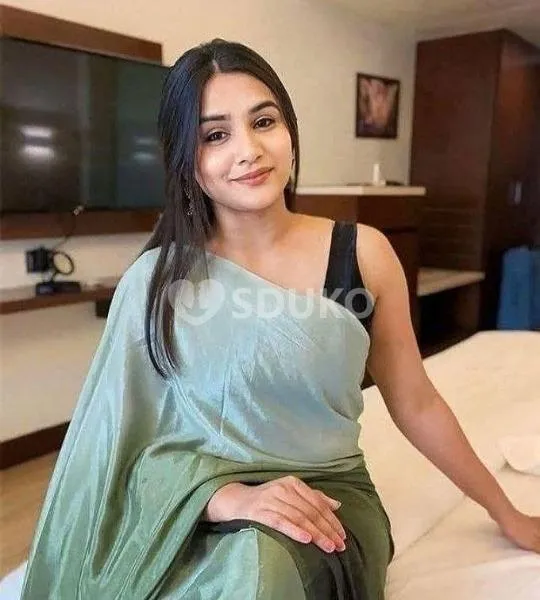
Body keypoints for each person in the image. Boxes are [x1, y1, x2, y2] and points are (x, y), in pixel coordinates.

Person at [21, 38, 540, 599]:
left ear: (289, 130)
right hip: (194, 507)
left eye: (263, 121)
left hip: (325, 504)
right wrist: (226, 497)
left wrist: (506, 512)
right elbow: (113, 449)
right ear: (186, 160)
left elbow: (417, 403)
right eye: (215, 135)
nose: (248, 150)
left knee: (254, 572)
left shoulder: (361, 255)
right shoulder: (156, 281)